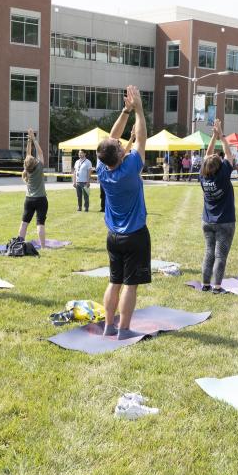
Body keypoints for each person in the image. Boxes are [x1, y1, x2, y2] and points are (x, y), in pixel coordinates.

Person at [95, 85, 149, 341]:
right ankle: (124, 329)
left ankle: (109, 326)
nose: (116, 141)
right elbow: (141, 138)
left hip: (113, 236)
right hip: (135, 235)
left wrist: (125, 111)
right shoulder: (130, 168)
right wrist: (138, 110)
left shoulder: (103, 168)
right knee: (130, 284)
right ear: (119, 154)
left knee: (113, 281)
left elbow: (111, 138)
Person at [198, 119, 236, 293]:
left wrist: (213, 137)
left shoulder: (203, 176)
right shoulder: (223, 176)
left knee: (209, 253)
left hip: (207, 221)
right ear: (220, 167)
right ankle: (217, 287)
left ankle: (206, 284)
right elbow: (229, 155)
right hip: (225, 222)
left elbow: (207, 156)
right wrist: (221, 135)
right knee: (220, 255)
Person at [17, 129, 48, 247]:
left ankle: (19, 244)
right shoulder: (39, 166)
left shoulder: (26, 169)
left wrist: (29, 141)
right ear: (34, 162)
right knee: (40, 223)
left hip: (29, 199)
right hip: (41, 199)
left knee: (24, 223)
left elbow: (28, 156)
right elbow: (40, 153)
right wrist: (34, 139)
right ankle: (43, 247)